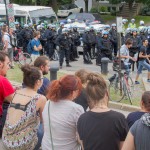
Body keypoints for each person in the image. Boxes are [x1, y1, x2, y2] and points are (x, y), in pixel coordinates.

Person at [77, 73, 128, 150]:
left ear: (89, 96)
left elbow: (84, 145)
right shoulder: (119, 118)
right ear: (106, 94)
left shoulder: (82, 119)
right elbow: (123, 147)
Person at [2, 65, 47, 150]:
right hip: (21, 145)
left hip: (6, 139)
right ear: (38, 82)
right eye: (42, 78)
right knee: (43, 125)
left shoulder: (17, 92)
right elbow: (43, 121)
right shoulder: (40, 98)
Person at [42, 75, 84, 150]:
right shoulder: (77, 109)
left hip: (47, 146)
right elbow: (81, 137)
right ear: (74, 92)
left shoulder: (48, 103)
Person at [0, 51, 15, 137]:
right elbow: (13, 100)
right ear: (0, 64)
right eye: (8, 64)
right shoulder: (2, 80)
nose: (9, 67)